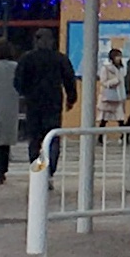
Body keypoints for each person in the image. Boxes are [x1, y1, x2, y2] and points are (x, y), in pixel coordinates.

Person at [13, 25, 80, 176]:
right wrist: (71, 98)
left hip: (33, 102)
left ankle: (37, 171)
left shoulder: (27, 58)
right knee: (53, 137)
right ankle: (49, 171)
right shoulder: (60, 59)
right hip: (53, 101)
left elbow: (18, 81)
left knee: (34, 138)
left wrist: (24, 94)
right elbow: (69, 80)